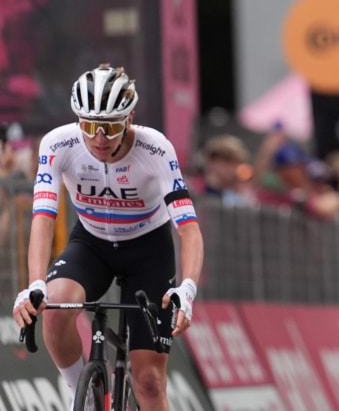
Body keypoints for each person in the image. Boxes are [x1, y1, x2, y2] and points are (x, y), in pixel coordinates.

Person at [11, 64, 203, 411]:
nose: (99, 137)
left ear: (129, 118)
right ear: (77, 119)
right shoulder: (59, 143)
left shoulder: (155, 149)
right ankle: (80, 398)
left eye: (111, 126)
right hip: (92, 243)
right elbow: (43, 218)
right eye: (89, 125)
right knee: (53, 309)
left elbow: (188, 229)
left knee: (149, 382)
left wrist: (187, 289)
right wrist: (35, 282)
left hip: (148, 249)